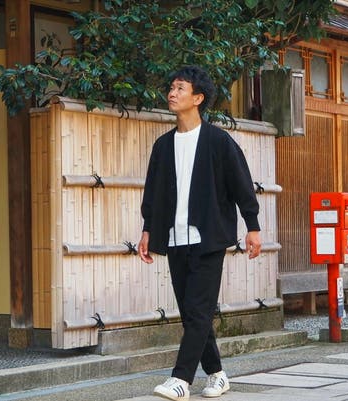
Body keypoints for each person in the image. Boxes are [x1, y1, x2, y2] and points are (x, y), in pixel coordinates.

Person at [138, 65, 262, 401]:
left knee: (197, 310)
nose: (172, 93)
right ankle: (217, 375)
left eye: (180, 88)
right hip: (175, 240)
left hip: (208, 240)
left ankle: (181, 380)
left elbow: (241, 185)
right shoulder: (163, 145)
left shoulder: (218, 141)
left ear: (198, 98)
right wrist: (148, 229)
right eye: (171, 87)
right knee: (194, 313)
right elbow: (152, 193)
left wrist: (252, 226)